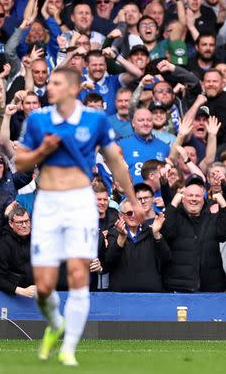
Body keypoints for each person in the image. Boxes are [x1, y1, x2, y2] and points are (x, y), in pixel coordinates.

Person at [15, 66, 144, 366]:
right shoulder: (38, 119)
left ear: (73, 89)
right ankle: (56, 322)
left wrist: (133, 199)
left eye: (56, 83)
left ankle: (68, 348)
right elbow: (20, 159)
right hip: (47, 203)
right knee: (45, 285)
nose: (50, 87)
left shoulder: (95, 119)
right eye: (49, 82)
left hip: (79, 203)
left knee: (78, 276)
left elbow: (116, 161)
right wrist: (41, 151)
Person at [103, 200, 169, 293]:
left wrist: (156, 234)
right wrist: (121, 237)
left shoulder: (152, 231)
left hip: (151, 294)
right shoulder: (114, 233)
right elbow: (109, 260)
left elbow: (166, 258)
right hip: (121, 295)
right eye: (129, 213)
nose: (134, 215)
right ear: (121, 215)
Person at [0, 205, 35, 297]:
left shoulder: (37, 238)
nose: (24, 226)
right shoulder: (4, 244)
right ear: (11, 224)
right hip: (14, 295)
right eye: (20, 222)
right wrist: (21, 291)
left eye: (27, 221)